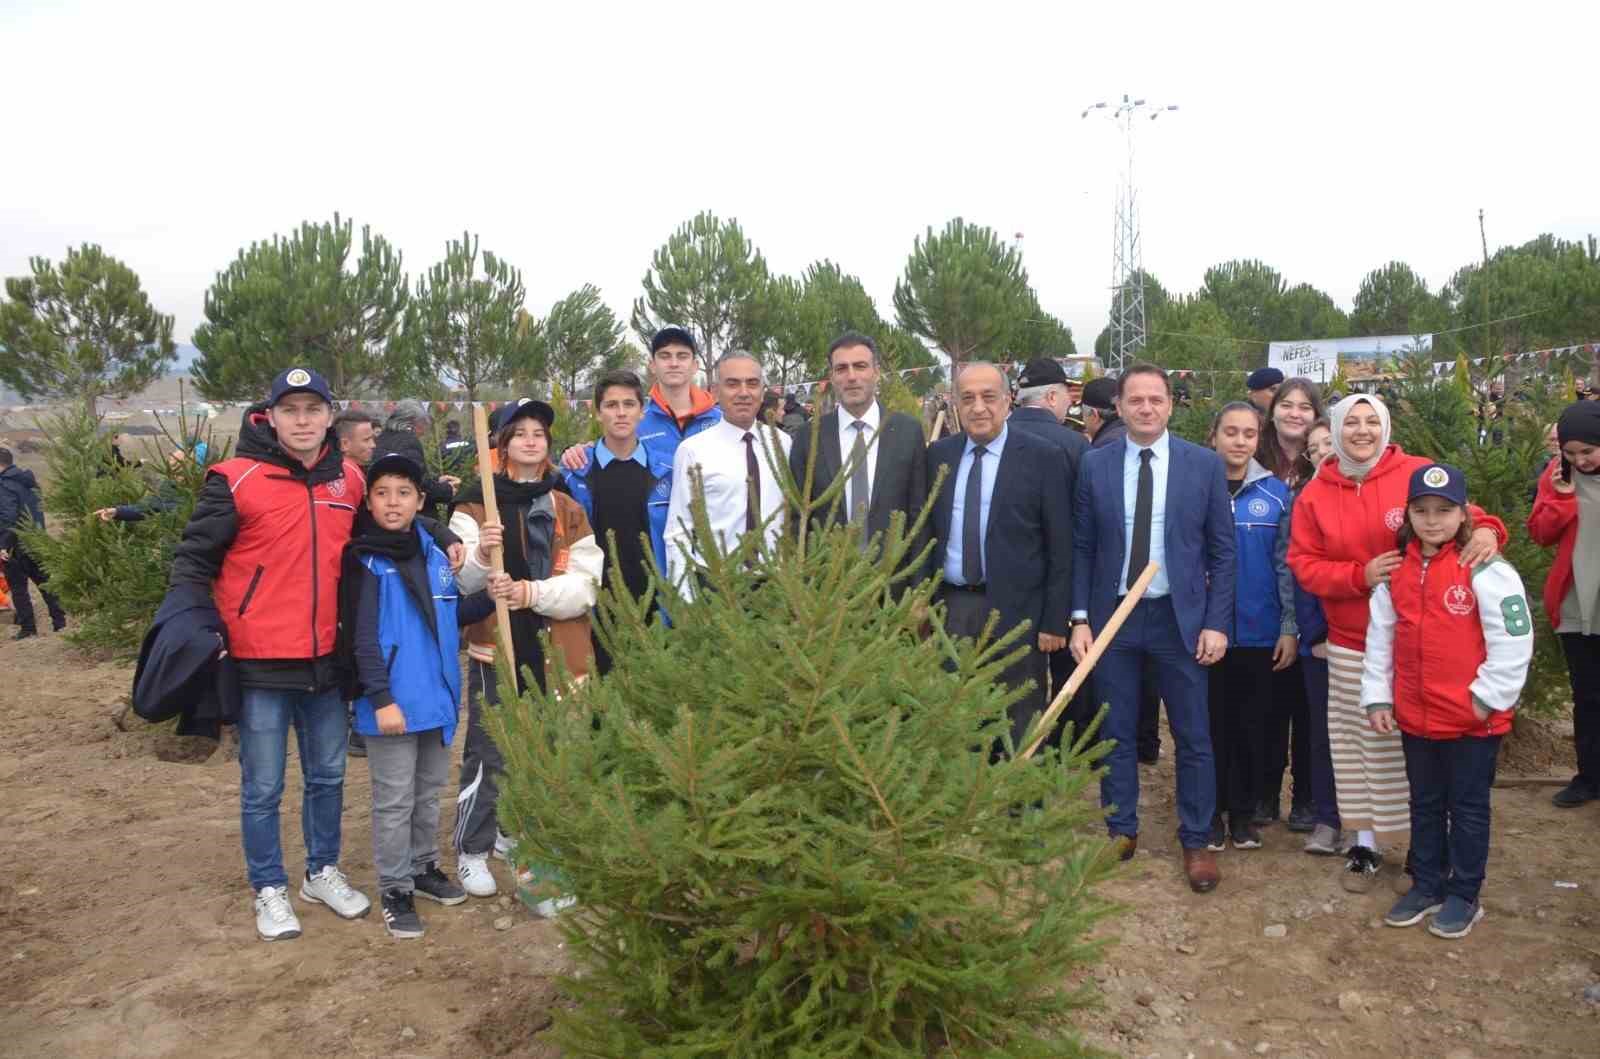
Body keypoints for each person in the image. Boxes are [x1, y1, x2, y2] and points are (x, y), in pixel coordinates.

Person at [167, 368, 390, 940]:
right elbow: (194, 560)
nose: (302, 420)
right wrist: (191, 625)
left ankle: (322, 871)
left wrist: (440, 536)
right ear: (270, 416)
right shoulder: (235, 479)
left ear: (329, 418)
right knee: (263, 784)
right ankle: (268, 885)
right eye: (290, 410)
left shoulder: (352, 482)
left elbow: (382, 537)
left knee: (328, 775)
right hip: (260, 659)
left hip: (326, 660)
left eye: (313, 409)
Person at [1287, 394, 1507, 893]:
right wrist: (1356, 576)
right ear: (1336, 429)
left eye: (1372, 421)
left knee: (1410, 750)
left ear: (1385, 427)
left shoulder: (1415, 472)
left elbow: (1467, 516)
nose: (1361, 431)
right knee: (1357, 744)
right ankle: (1365, 840)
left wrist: (1491, 531)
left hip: (1417, 640)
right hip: (1349, 639)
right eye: (1351, 423)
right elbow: (1303, 563)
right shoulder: (1317, 493)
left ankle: (1418, 849)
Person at [1069, 364, 1235, 893]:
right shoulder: (1095, 465)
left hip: (1178, 619)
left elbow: (1222, 552)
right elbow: (1084, 548)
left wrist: (1216, 622)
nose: (1146, 408)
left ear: (1170, 405)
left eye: (1155, 399)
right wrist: (1079, 618)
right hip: (1113, 617)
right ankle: (1121, 829)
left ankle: (1196, 838)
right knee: (1115, 730)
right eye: (1135, 400)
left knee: (1193, 734)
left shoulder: (1202, 465)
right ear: (1118, 407)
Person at [1364, 463, 1533, 938]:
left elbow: (1514, 638)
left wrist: (1487, 699)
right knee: (1426, 802)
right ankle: (1428, 883)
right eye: (1421, 510)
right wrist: (1379, 697)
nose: (1432, 520)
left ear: (1463, 514)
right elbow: (1381, 638)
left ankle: (1464, 893)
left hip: (1471, 721)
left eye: (1444, 510)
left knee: (1469, 807)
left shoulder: (1485, 569)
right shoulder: (1396, 571)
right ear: (1408, 515)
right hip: (1416, 717)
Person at [337, 451, 500, 938]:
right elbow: (362, 638)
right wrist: (381, 698)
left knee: (428, 792)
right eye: (382, 493)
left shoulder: (434, 555)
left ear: (420, 501)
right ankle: (395, 887)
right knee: (394, 800)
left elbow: (452, 613)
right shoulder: (364, 560)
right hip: (391, 703)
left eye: (404, 493)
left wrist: (492, 593)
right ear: (368, 500)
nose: (393, 502)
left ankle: (423, 866)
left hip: (437, 698)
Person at [448, 398, 601, 905]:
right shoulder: (475, 505)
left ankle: (519, 834)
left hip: (556, 649)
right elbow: (463, 581)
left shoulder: (566, 507)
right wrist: (479, 552)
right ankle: (472, 848)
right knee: (490, 751)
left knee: (550, 747)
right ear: (503, 443)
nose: (531, 440)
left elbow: (585, 585)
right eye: (521, 433)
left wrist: (533, 594)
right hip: (499, 649)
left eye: (539, 433)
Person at [928, 362, 1073, 754]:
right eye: (968, 398)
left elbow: (1060, 544)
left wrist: (1054, 621)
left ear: (1008, 400)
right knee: (956, 719)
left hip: (1019, 614)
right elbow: (925, 533)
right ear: (955, 404)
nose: (978, 407)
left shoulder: (1043, 457)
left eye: (989, 397)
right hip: (953, 609)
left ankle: (1021, 811)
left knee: (1019, 722)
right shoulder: (939, 456)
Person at [1203, 403, 1296, 852]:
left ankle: (1241, 814)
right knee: (1209, 726)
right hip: (1207, 633)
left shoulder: (1277, 494)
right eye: (1230, 433)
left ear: (1259, 440)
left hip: (1259, 633)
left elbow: (1285, 567)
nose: (1239, 442)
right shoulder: (1194, 489)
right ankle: (1209, 813)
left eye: (1249, 434)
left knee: (1250, 727)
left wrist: (1288, 627)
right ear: (1214, 436)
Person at [562, 370, 674, 673]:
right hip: (597, 607)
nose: (621, 413)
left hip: (655, 603)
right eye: (611, 405)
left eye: (629, 404)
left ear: (642, 411)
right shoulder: (575, 472)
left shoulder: (668, 468)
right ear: (598, 413)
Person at [789, 333, 929, 576]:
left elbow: (920, 516)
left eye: (860, 366)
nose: (851, 376)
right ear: (832, 377)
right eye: (841, 368)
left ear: (876, 372)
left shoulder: (908, 432)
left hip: (893, 589)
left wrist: (918, 591)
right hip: (826, 593)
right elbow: (796, 518)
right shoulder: (808, 437)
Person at [1006, 357, 1091, 743]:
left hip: (1007, 584)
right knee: (1062, 671)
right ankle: (1060, 744)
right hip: (1063, 582)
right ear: (1054, 396)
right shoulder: (1075, 445)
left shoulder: (994, 438)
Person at [1254, 378, 1327, 831]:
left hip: (1315, 602)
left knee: (1308, 706)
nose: (1295, 414)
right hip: (1263, 600)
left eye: (1305, 406)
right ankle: (1263, 793)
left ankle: (1306, 797)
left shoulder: (1328, 460)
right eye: (1287, 405)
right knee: (1268, 705)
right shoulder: (1254, 458)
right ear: (1273, 410)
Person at [663, 353, 792, 598]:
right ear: (715, 391)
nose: (744, 392)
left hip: (776, 588)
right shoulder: (693, 451)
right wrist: (688, 603)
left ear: (763, 392)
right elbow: (678, 531)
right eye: (732, 384)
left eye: (752, 384)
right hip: (717, 588)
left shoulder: (783, 445)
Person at [1528, 400, 1600, 808]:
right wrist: (1561, 498)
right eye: (1571, 453)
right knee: (1587, 695)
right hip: (1577, 604)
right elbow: (1540, 532)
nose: (1579, 461)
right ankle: (1589, 777)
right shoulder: (1557, 478)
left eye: (1588, 452)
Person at [561, 326, 721, 476]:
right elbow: (604, 452)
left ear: (695, 366)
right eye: (665, 356)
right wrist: (577, 452)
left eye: (682, 356)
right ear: (652, 365)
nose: (673, 363)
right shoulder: (634, 421)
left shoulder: (721, 421)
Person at [1294, 419, 1345, 856]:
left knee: (1373, 732)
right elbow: (1302, 573)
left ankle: (1370, 829)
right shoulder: (1306, 500)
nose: (1325, 450)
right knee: (1324, 731)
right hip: (1323, 641)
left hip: (1376, 639)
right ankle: (1327, 818)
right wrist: (1315, 634)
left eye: (1331, 441)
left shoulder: (1377, 490)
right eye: (1315, 447)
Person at [0, 446, 68, 640]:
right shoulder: (28, 481)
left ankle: (28, 628)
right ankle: (60, 622)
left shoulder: (4, 485)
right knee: (45, 583)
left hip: (16, 544)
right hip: (36, 540)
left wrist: (4, 545)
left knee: (19, 588)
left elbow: (8, 517)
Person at [377, 400, 459, 510]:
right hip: (409, 513)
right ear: (414, 422)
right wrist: (447, 490)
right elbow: (417, 483)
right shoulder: (408, 442)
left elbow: (402, 473)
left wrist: (436, 480)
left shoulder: (382, 438)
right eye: (423, 423)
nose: (424, 430)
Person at [1081, 378, 1126, 450]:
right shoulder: (1141, 434)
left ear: (1094, 415)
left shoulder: (1103, 448)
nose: (1083, 421)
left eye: (1083, 415)